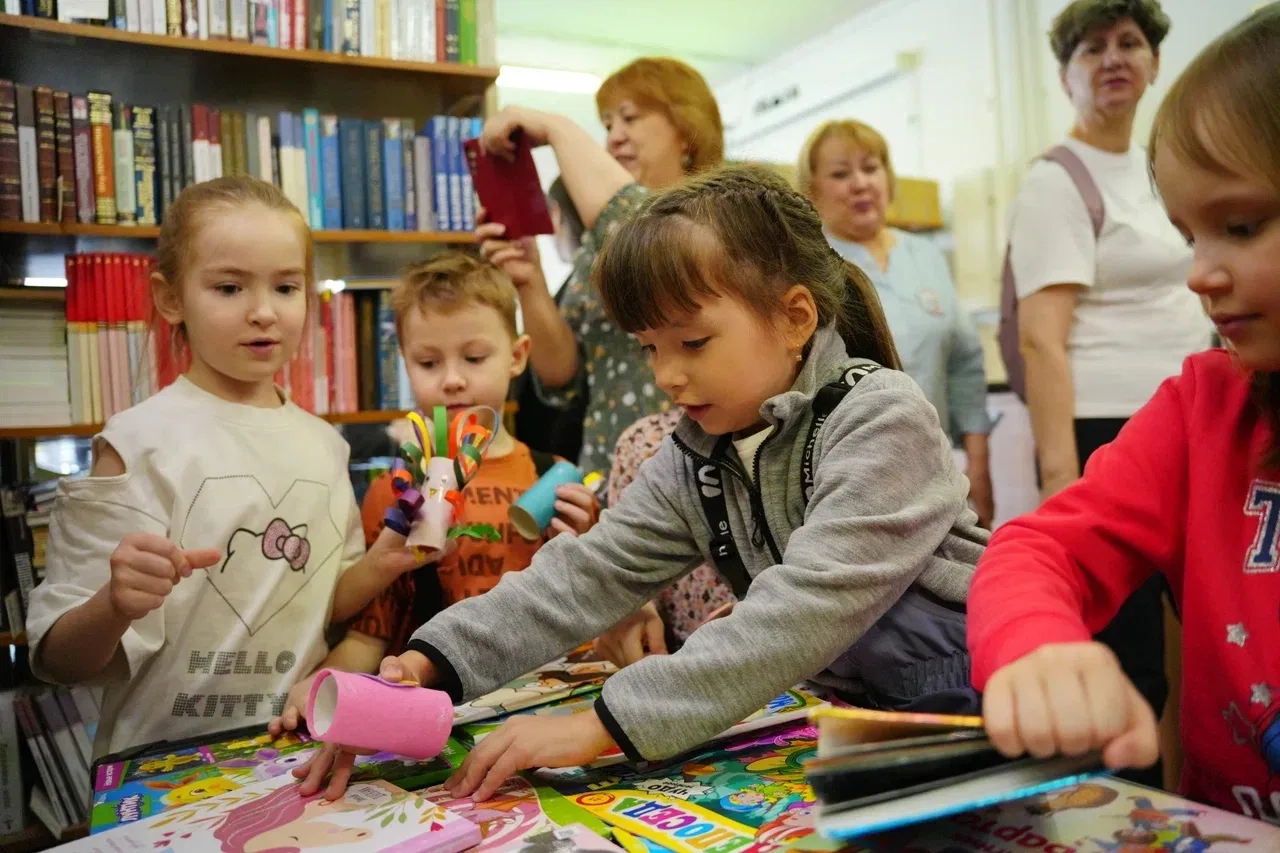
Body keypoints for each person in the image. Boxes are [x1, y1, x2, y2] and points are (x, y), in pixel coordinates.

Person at [296, 164, 986, 802]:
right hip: (855, 720)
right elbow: (583, 575)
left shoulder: (881, 416)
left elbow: (803, 608)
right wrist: (428, 661)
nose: (665, 375)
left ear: (794, 317)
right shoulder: (699, 452)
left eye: (692, 343)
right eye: (650, 347)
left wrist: (598, 724)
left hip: (976, 703)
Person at [969, 4, 1280, 819]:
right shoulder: (1204, 410)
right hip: (1120, 429)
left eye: (1240, 227)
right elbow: (1036, 549)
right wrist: (1039, 647)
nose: (1198, 273)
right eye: (1190, 234)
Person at [24, 176, 421, 755]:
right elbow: (60, 661)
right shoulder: (136, 443)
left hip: (296, 752)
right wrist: (113, 603)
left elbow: (320, 601)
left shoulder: (325, 445)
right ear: (171, 298)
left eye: (286, 287)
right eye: (230, 287)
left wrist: (382, 566)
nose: (264, 312)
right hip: (162, 766)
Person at [268, 252, 599, 734]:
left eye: (474, 357)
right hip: (443, 719)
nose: (452, 379)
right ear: (404, 362)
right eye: (428, 361)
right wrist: (317, 689)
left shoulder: (551, 477)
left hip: (550, 708)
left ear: (518, 356)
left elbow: (595, 608)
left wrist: (588, 542)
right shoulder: (395, 496)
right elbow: (369, 638)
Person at [1005, 0, 1212, 766]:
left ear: (1156, 62)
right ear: (1066, 76)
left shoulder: (1165, 166)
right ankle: (1130, 816)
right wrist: (1063, 477)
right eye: (1091, 49)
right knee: (1129, 658)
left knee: (1214, 631)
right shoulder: (1057, 181)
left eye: (1130, 42)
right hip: (1104, 429)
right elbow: (1041, 339)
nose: (1114, 58)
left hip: (1192, 418)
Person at [477, 57, 724, 478]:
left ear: (687, 129)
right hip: (606, 470)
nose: (615, 137)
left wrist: (554, 127)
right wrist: (529, 280)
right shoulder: (601, 240)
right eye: (607, 125)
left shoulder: (719, 215)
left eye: (629, 118)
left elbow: (640, 219)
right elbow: (562, 380)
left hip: (693, 467)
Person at [799, 119, 994, 528]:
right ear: (813, 188)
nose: (860, 183)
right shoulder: (807, 267)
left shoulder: (925, 255)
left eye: (870, 168)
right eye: (840, 173)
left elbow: (963, 362)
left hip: (935, 465)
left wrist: (978, 463)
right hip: (845, 474)